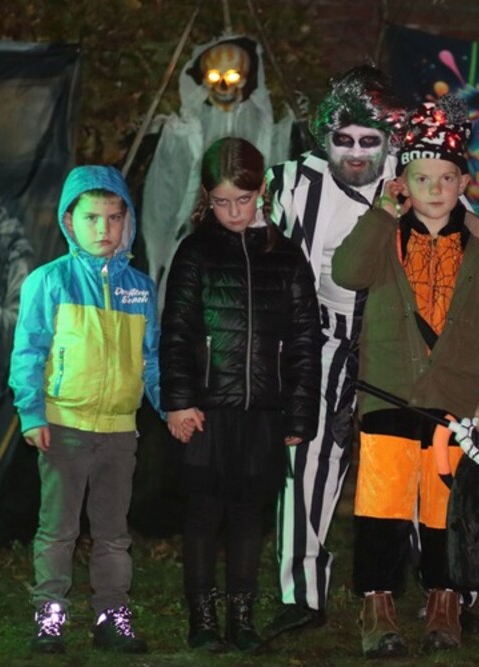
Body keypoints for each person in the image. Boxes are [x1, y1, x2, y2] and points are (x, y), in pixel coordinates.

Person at [331, 94, 479, 658]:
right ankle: (377, 605)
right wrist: (381, 212)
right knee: (381, 506)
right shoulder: (385, 233)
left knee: (442, 510)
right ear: (402, 183)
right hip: (388, 391)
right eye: (421, 178)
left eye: (446, 178)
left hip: (454, 397)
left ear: (464, 184)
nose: (434, 189)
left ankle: (444, 601)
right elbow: (347, 271)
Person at [159, 137, 321, 653]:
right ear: (207, 198)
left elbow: (305, 339)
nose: (232, 212)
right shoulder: (195, 252)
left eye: (243, 200)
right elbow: (176, 332)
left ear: (262, 193)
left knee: (250, 515)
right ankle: (203, 618)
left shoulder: (287, 256)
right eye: (222, 201)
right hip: (206, 410)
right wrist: (178, 400)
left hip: (264, 412)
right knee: (204, 514)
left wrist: (300, 412)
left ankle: (242, 617)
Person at [263, 64, 406, 639]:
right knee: (307, 463)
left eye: (369, 140)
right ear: (325, 136)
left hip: (397, 349)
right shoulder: (292, 183)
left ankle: (446, 590)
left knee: (412, 467)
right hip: (320, 340)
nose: (355, 153)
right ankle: (302, 595)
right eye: (343, 139)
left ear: (389, 140)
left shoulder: (416, 179)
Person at [9, 165, 163, 655]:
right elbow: (28, 352)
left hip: (119, 433)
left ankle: (110, 617)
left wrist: (173, 408)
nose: (104, 229)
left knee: (113, 534)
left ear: (127, 221)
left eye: (114, 218)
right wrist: (32, 413)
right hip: (64, 428)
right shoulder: (47, 281)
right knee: (58, 531)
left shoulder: (141, 288)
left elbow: (152, 360)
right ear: (69, 221)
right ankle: (50, 616)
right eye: (92, 218)